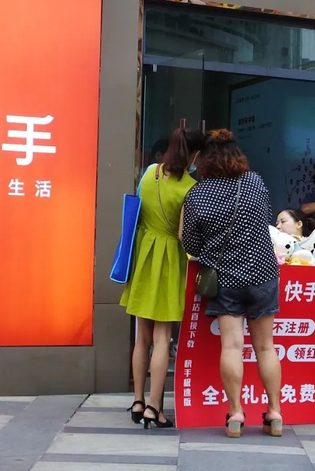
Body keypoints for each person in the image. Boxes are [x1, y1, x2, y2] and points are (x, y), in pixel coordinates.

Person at [181, 129, 283, 438]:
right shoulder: (254, 182)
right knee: (266, 346)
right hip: (262, 274)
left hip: (224, 278)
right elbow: (266, 218)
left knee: (232, 346)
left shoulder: (197, 194)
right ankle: (274, 413)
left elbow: (191, 245)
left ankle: (236, 413)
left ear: (205, 159)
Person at [121, 128, 204, 429]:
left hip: (143, 256)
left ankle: (138, 400)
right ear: (195, 154)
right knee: (162, 338)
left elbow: (138, 212)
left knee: (142, 337)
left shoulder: (149, 173)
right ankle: (155, 407)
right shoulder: (191, 187)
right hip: (170, 261)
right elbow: (184, 234)